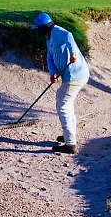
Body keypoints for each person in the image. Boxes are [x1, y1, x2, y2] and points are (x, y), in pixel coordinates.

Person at [32, 12, 89, 154]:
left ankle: (70, 144)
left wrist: (73, 52)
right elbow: (50, 58)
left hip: (75, 74)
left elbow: (69, 36)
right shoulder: (48, 37)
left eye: (38, 28)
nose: (37, 31)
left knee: (63, 105)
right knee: (63, 101)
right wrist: (53, 73)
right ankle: (69, 134)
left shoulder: (58, 31)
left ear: (44, 27)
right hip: (71, 76)